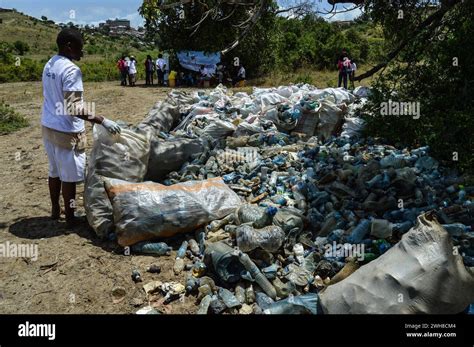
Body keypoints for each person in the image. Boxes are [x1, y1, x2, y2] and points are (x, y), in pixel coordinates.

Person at [41, 28, 121, 228]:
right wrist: (102, 120)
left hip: (48, 127)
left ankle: (54, 210)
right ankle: (69, 217)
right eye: (79, 47)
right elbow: (73, 107)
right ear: (69, 46)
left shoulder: (50, 64)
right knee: (68, 177)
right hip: (67, 131)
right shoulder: (71, 70)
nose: (82, 52)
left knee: (54, 172)